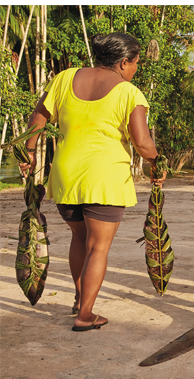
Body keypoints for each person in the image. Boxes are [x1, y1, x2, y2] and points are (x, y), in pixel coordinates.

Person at [19, 32, 166, 331]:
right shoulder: (129, 93)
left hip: (66, 175)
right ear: (124, 62)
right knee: (98, 247)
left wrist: (29, 153)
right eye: (136, 63)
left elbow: (39, 117)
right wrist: (156, 162)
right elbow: (142, 142)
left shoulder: (65, 78)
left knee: (79, 238)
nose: (135, 69)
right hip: (105, 179)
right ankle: (85, 315)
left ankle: (78, 298)